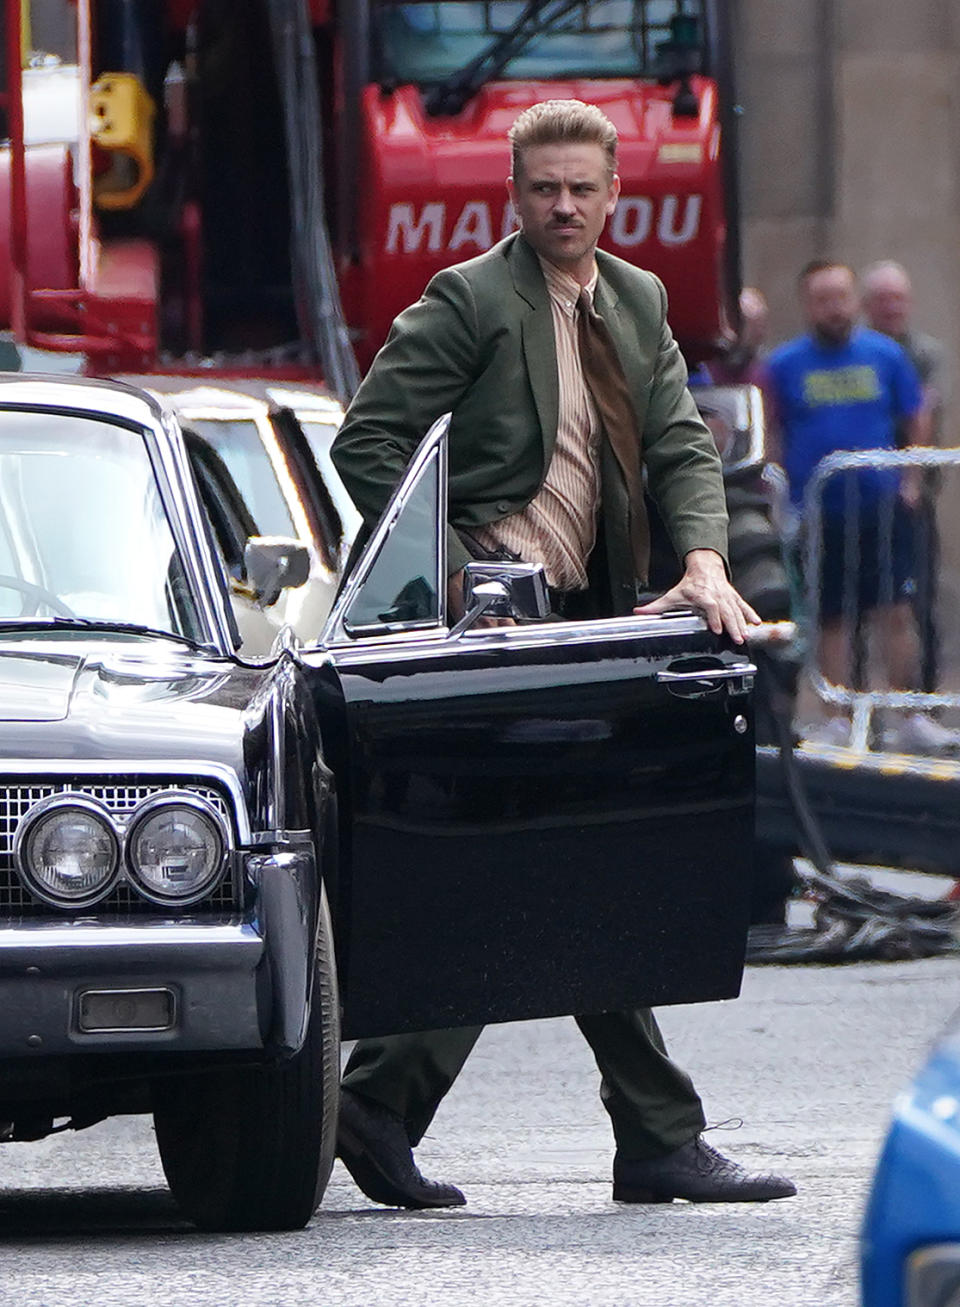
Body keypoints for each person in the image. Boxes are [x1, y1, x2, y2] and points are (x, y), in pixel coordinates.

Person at [330, 99, 794, 1211]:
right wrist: (451, 570)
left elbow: (684, 443)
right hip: (493, 628)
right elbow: (368, 442)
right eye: (544, 187)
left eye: (583, 187)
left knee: (567, 860)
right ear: (514, 193)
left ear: (614, 192)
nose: (564, 205)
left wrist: (705, 563)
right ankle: (648, 1132)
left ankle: (392, 1103)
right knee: (559, 860)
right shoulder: (469, 299)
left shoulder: (637, 300)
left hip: (590, 616)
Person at [766, 260, 953, 752]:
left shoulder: (886, 355)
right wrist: (778, 494)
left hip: (883, 506)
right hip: (821, 513)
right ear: (808, 305)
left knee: (897, 610)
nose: (835, 308)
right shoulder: (784, 364)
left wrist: (912, 479)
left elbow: (916, 418)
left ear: (854, 300)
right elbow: (772, 431)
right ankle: (836, 716)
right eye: (823, 299)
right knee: (831, 619)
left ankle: (906, 712)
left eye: (842, 297)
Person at [862, 260, 948, 694]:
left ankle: (922, 700)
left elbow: (924, 412)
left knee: (919, 601)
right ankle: (857, 703)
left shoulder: (923, 354)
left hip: (912, 498)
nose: (892, 308)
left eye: (898, 299)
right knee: (857, 605)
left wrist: (912, 480)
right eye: (882, 300)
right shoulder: (854, 352)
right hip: (860, 496)